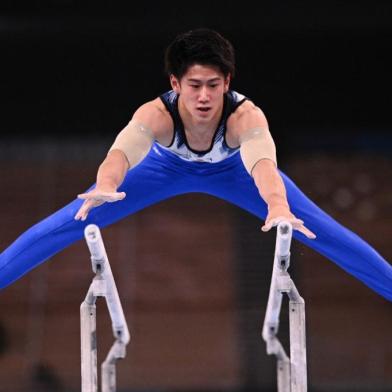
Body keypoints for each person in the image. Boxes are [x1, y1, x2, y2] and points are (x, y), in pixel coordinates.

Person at [1, 28, 391, 301]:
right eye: (194, 85)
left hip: (236, 172)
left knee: (325, 233)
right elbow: (120, 154)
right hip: (162, 170)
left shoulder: (246, 117)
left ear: (227, 81)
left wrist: (277, 206)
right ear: (175, 84)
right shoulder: (156, 115)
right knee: (75, 218)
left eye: (213, 85)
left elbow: (263, 168)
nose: (204, 96)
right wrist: (106, 184)